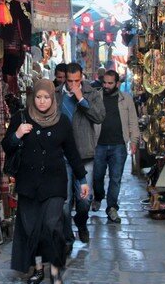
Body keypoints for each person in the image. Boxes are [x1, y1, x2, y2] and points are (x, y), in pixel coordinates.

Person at [2, 79, 89, 284]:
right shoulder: (21, 118)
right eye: (39, 97)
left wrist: (82, 180)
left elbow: (72, 153)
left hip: (54, 183)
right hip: (28, 183)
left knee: (52, 227)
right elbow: (7, 146)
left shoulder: (62, 121)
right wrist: (17, 134)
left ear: (53, 98)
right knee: (32, 229)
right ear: (33, 97)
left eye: (46, 97)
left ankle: (56, 270)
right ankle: (39, 268)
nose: (42, 102)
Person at [55, 63, 105, 245]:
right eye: (70, 81)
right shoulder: (56, 95)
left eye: (77, 80)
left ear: (82, 77)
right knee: (65, 202)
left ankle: (81, 222)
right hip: (62, 155)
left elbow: (99, 117)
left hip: (84, 155)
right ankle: (67, 238)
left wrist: (81, 99)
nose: (73, 84)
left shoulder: (92, 93)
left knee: (84, 200)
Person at [91, 70, 140, 223]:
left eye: (110, 83)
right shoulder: (96, 97)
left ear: (117, 84)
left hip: (118, 145)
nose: (106, 86)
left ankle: (112, 208)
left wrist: (134, 141)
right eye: (104, 82)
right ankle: (98, 197)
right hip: (98, 144)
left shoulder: (126, 99)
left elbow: (133, 121)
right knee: (97, 175)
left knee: (115, 178)